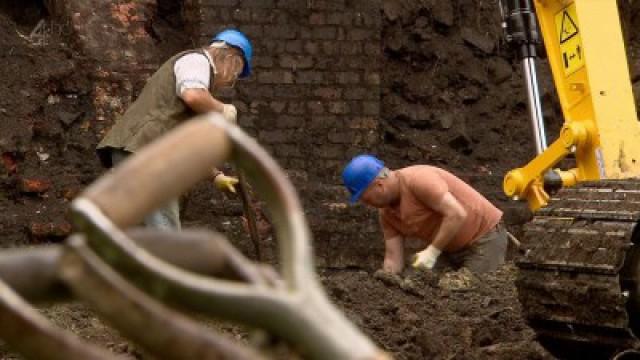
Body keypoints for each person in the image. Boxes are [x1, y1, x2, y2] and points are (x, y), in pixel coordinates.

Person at [96, 29, 253, 230]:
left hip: (140, 150)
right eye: (235, 73)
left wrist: (216, 176)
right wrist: (223, 109)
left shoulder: (199, 81)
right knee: (165, 228)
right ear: (231, 59)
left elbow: (185, 143)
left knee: (141, 230)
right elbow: (193, 96)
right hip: (146, 148)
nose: (231, 81)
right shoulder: (196, 62)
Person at [342, 154, 508, 275]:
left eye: (365, 198)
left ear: (379, 185)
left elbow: (456, 214)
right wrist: (386, 281)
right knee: (420, 286)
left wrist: (432, 252)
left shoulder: (419, 180)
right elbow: (393, 258)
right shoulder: (387, 213)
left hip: (484, 238)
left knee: (469, 294)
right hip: (449, 250)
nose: (366, 204)